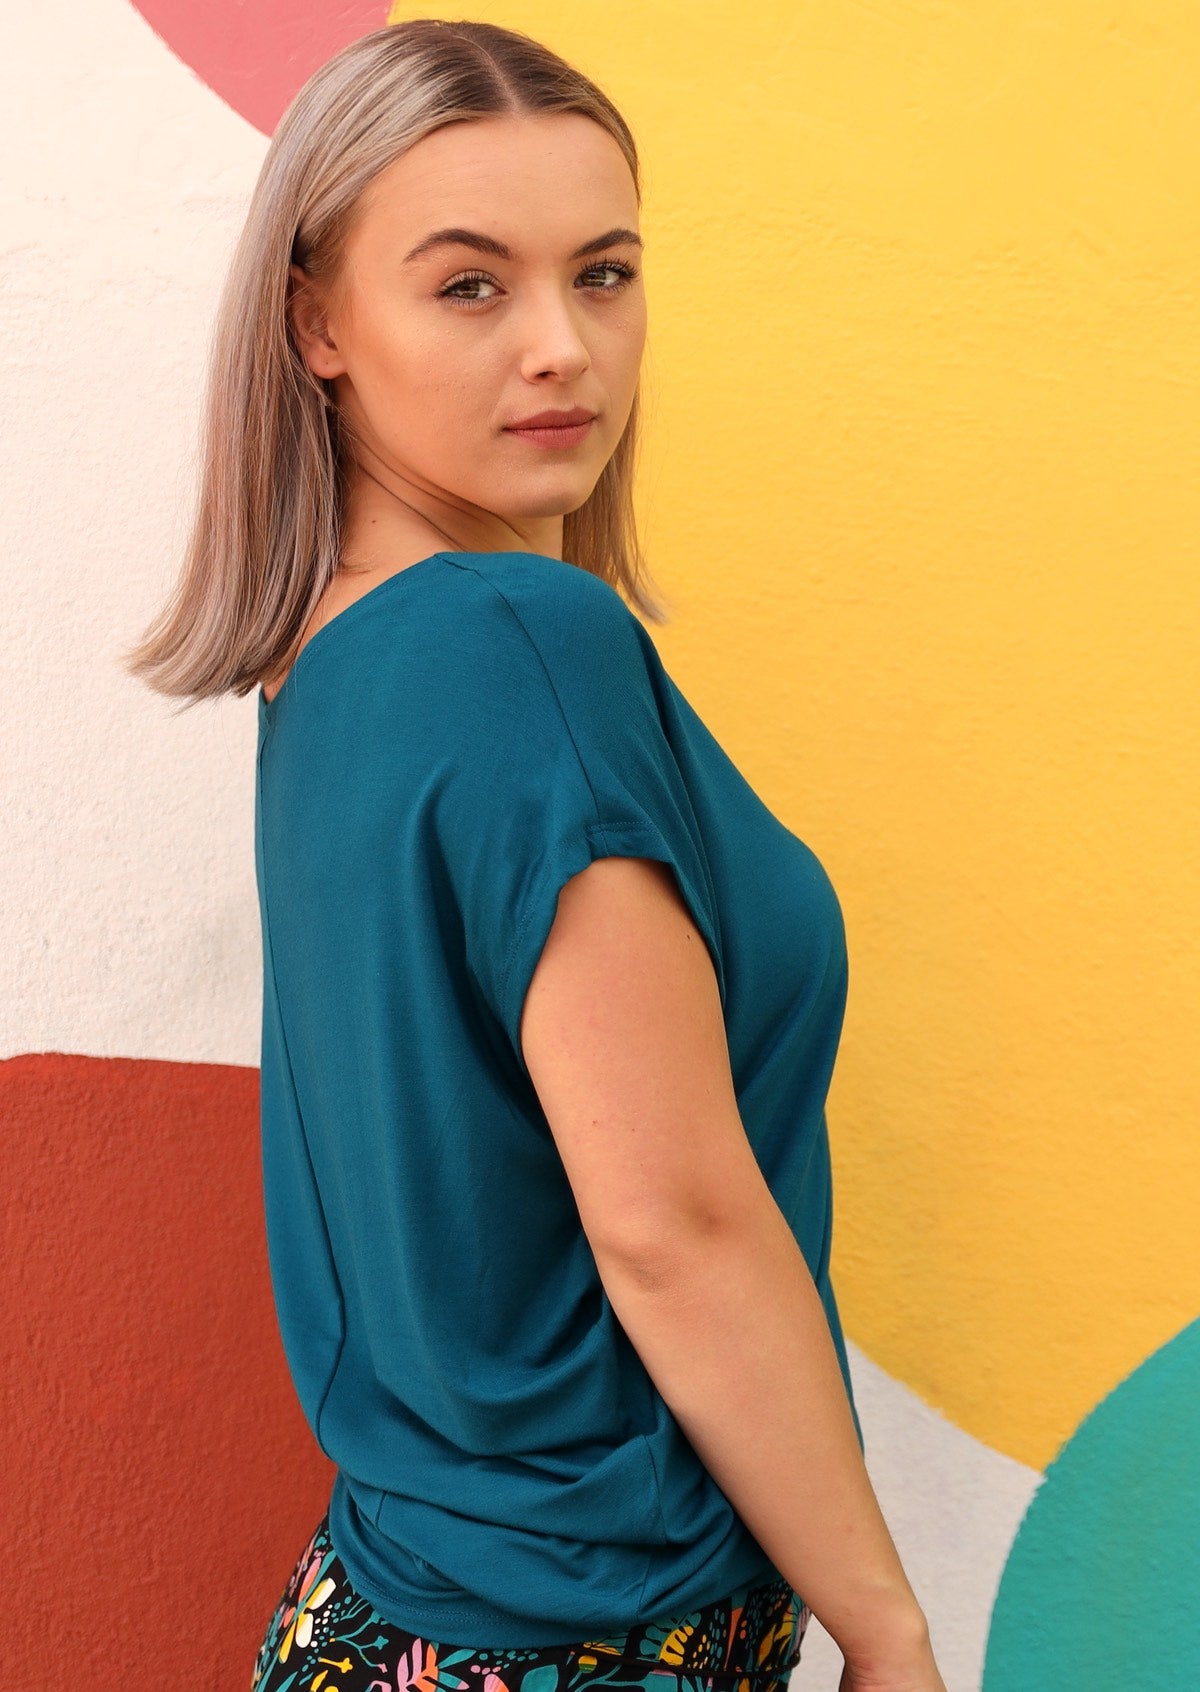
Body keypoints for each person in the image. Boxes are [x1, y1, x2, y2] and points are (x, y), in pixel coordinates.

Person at [125, 19, 949, 1692]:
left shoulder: (341, 660)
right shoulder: (518, 640)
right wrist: (887, 1623)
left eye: (607, 272)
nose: (565, 346)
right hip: (585, 1638)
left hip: (412, 1612)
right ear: (317, 323)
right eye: (472, 286)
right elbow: (672, 1219)